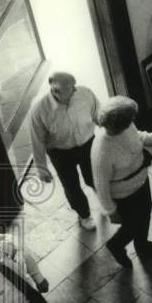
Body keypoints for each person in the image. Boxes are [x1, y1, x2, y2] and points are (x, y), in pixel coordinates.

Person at [91, 96, 152, 267]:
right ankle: (116, 245)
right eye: (130, 119)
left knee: (145, 215)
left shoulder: (127, 127)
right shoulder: (102, 151)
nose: (132, 122)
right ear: (120, 123)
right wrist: (111, 210)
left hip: (142, 183)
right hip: (124, 196)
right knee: (131, 225)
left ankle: (142, 245)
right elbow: (100, 184)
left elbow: (139, 137)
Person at [29, 72, 101, 230]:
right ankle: (84, 215)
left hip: (87, 144)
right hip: (60, 153)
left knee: (94, 176)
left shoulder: (85, 93)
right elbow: (37, 140)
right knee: (71, 186)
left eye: (74, 85)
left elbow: (98, 114)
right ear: (56, 91)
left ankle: (103, 200)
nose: (76, 89)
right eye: (70, 88)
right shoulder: (39, 110)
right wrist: (42, 168)